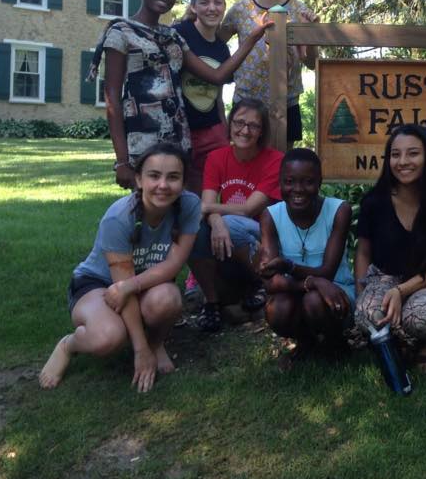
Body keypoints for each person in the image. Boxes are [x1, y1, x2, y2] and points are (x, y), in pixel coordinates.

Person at [92, 0, 271, 190]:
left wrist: (252, 39)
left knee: (183, 209)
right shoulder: (121, 32)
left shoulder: (172, 37)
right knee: (148, 210)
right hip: (144, 140)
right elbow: (112, 99)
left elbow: (216, 76)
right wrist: (122, 161)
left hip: (179, 140)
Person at [39, 143, 200, 392]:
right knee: (108, 338)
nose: (163, 185)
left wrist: (131, 286)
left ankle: (156, 344)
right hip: (97, 283)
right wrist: (139, 350)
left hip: (138, 282)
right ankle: (68, 345)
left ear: (183, 181)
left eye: (173, 177)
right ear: (138, 179)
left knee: (168, 298)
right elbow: (118, 287)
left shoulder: (189, 206)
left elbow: (173, 265)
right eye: (154, 176)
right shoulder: (118, 217)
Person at [354, 124, 426, 370]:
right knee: (365, 314)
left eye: (413, 153)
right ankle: (392, 342)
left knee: (422, 319)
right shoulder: (374, 202)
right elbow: (363, 251)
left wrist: (401, 291)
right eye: (395, 154)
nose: (403, 161)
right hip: (383, 277)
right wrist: (361, 291)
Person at [187, 98, 284, 331]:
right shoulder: (217, 157)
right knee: (192, 228)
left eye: (254, 125)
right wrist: (217, 222)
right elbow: (208, 204)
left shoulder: (275, 160)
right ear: (230, 124)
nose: (245, 130)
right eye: (239, 122)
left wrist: (213, 213)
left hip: (263, 239)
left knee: (229, 222)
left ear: (262, 131)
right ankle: (211, 303)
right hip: (230, 237)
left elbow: (250, 209)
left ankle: (257, 283)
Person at [258, 148, 355, 367]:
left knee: (314, 300)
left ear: (320, 181)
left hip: (336, 290)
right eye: (290, 181)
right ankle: (306, 342)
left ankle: (335, 341)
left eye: (308, 182)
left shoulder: (339, 210)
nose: (298, 190)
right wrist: (312, 281)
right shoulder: (271, 216)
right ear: (280, 182)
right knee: (278, 309)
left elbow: (328, 272)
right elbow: (271, 283)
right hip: (295, 291)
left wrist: (288, 266)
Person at [220, 0, 319, 148]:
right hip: (247, 102)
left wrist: (310, 33)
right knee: (245, 166)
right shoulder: (240, 9)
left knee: (279, 169)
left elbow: (312, 63)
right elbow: (216, 42)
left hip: (286, 103)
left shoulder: (299, 10)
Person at [173, 0, 232, 195]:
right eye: (204, 2)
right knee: (179, 187)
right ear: (193, 7)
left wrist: (224, 129)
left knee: (208, 189)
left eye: (218, 2)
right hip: (182, 127)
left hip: (212, 128)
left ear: (224, 6)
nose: (212, 8)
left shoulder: (221, 48)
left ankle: (205, 226)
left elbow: (218, 95)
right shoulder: (180, 33)